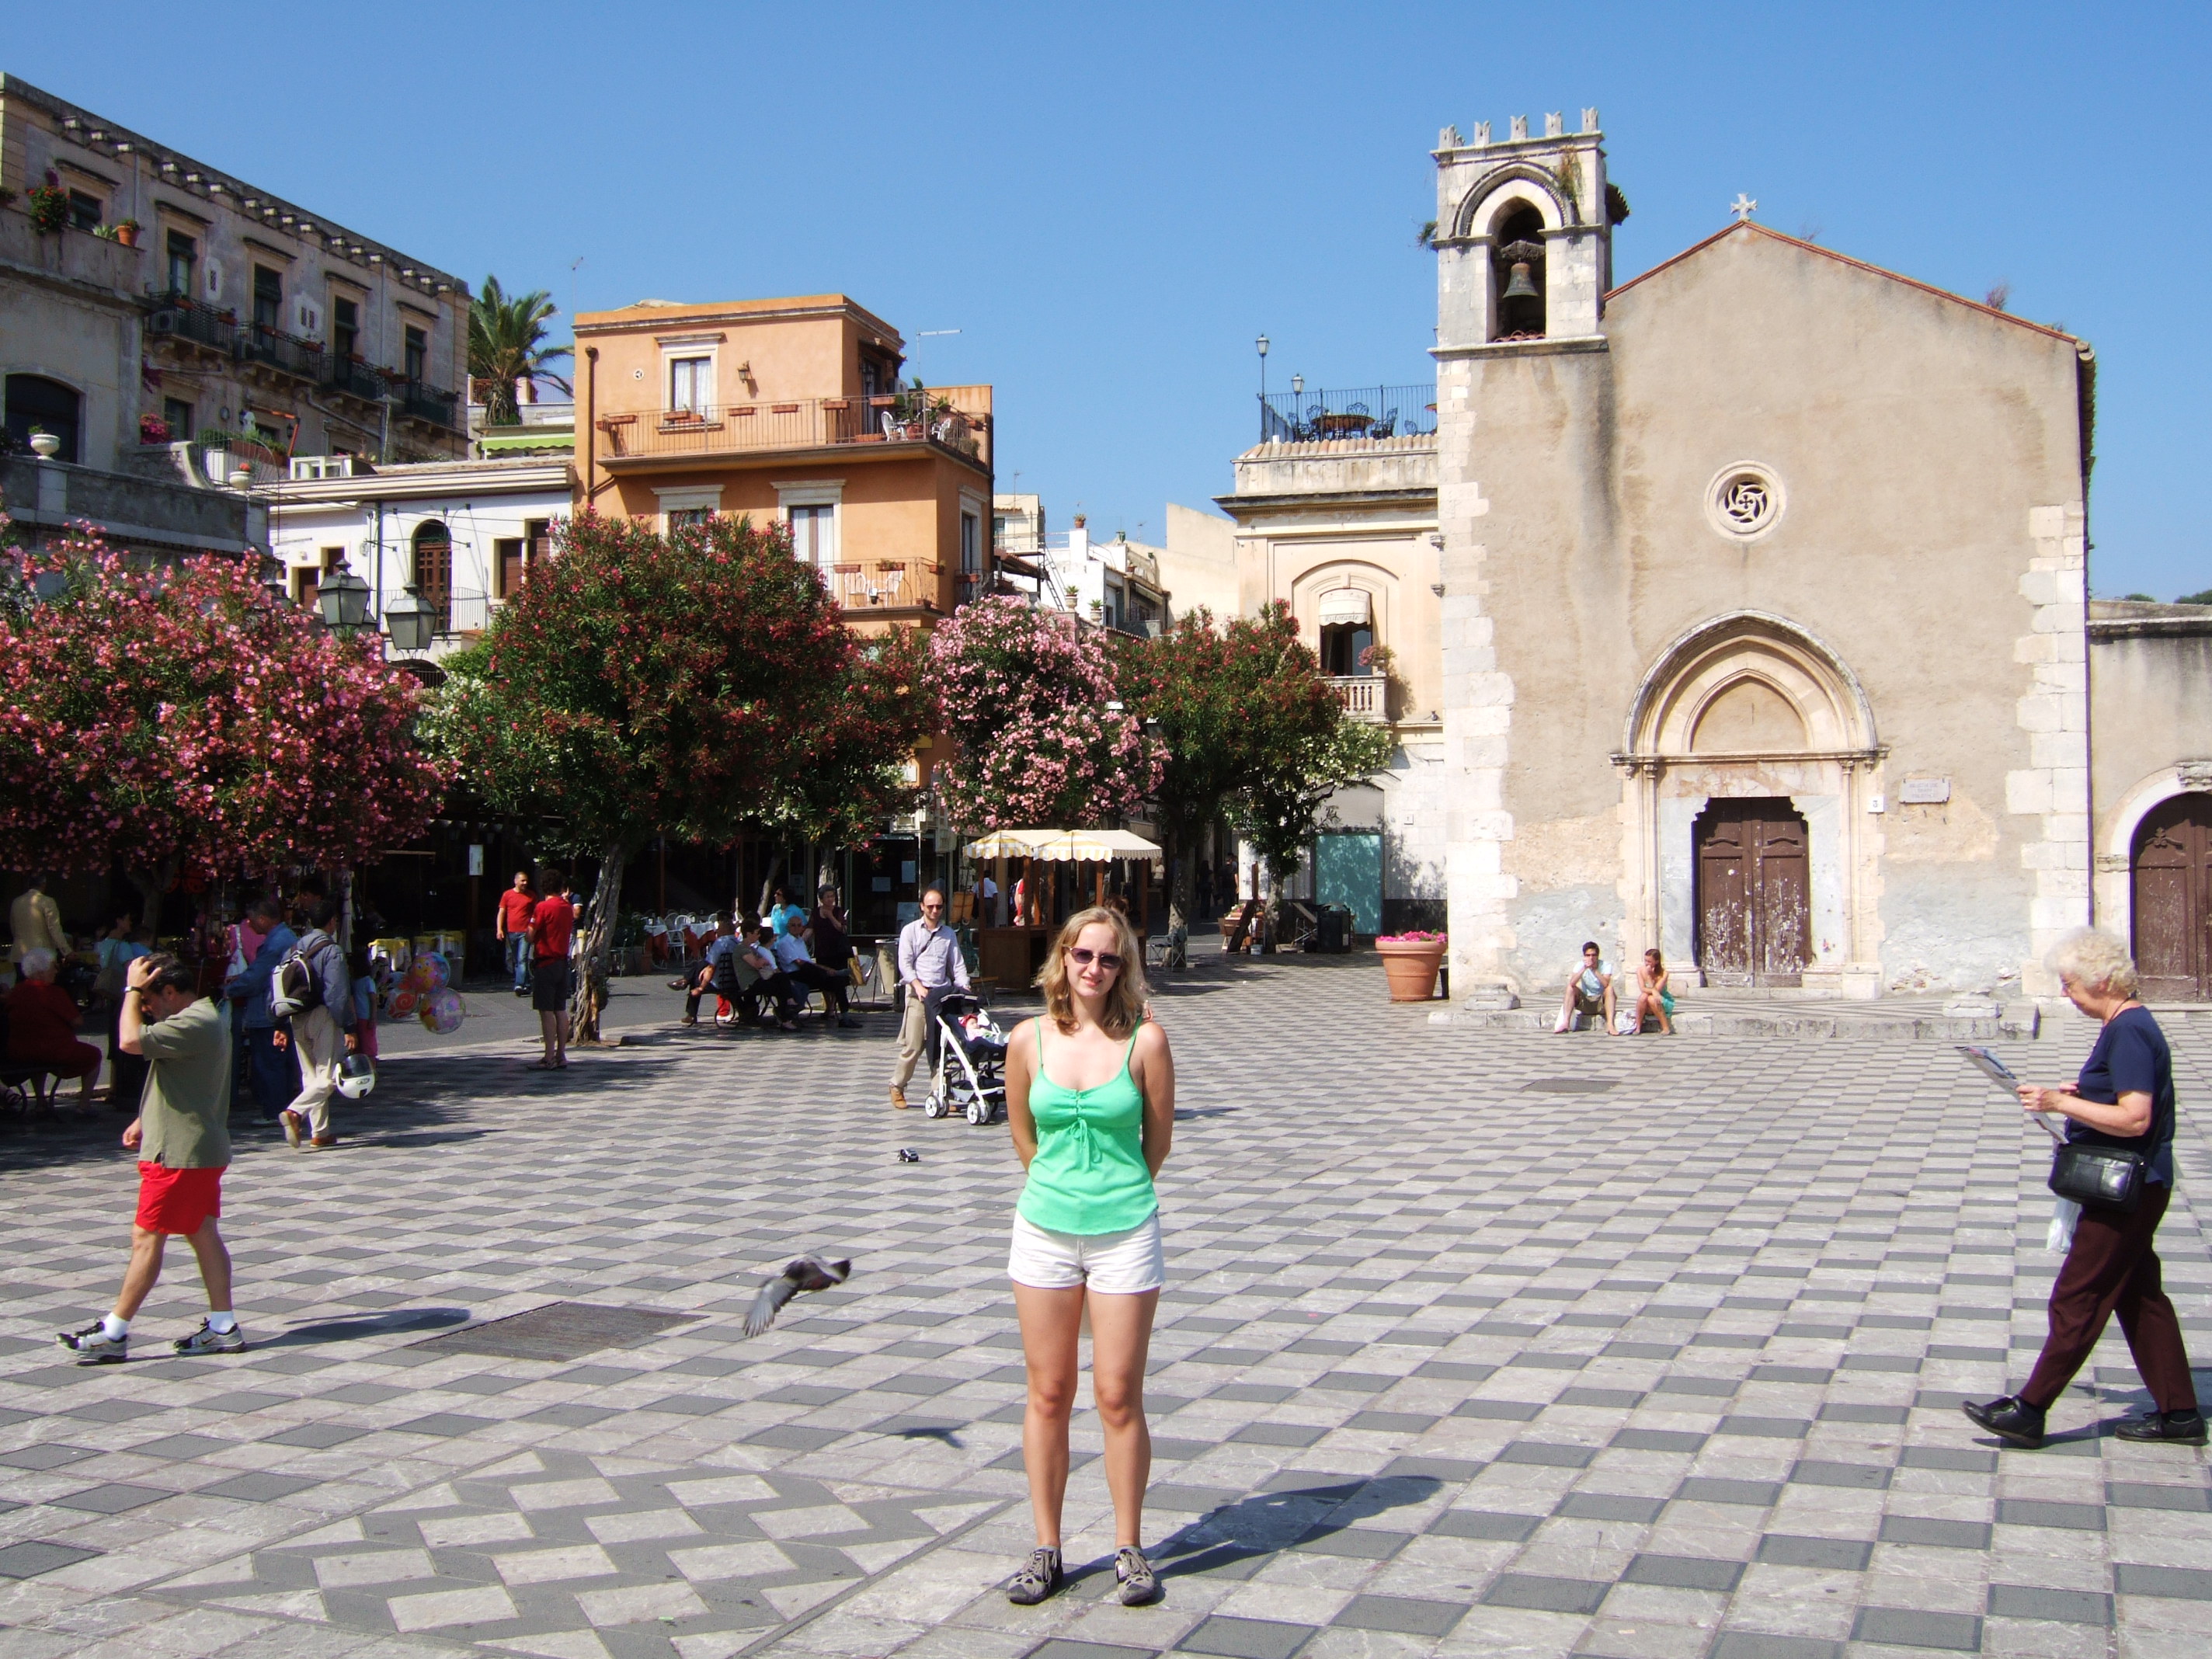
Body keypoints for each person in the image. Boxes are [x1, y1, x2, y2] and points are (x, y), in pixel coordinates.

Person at [1965, 929, 2203, 1449]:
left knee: (2079, 1296)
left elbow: (2135, 1117)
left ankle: (2029, 1410)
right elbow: (2123, 1094)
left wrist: (2059, 1103)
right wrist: (2081, 1091)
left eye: (2071, 985)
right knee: (2139, 1297)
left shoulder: (2130, 1031)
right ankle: (2180, 1414)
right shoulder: (2125, 1024)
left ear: (2100, 981)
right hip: (2140, 1185)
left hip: (2127, 1189)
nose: (2067, 995)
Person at [1000, 905, 1174, 1607]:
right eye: (1083, 956)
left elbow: (1156, 1143)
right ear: (1062, 960)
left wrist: (1112, 1193)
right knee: (1048, 1393)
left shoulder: (1146, 1042)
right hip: (1043, 1230)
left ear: (1123, 967)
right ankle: (1047, 1547)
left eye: (1108, 958)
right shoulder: (1027, 1040)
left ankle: (1129, 1548)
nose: (1094, 969)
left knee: (1116, 1395)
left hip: (1125, 1231)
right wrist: (1062, 1189)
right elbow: (1022, 1136)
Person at [57, 953, 242, 1363]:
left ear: (170, 993)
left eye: (150, 1001)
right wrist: (145, 1119)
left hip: (180, 1154)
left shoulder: (195, 1021)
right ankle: (223, 1326)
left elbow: (128, 1042)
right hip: (190, 1148)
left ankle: (115, 1331)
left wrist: (130, 989)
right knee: (202, 1232)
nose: (145, 1009)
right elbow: (181, 1078)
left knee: (147, 1237)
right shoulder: (201, 1019)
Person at [274, 896, 358, 1153]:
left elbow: (277, 984)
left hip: (294, 1015)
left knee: (310, 1075)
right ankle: (294, 1112)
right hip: (322, 1015)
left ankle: (320, 1132)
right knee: (330, 1077)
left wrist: (278, 1024)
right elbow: (337, 993)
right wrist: (348, 1026)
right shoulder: (331, 950)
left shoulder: (292, 949)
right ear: (333, 921)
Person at [891, 887, 969, 1108]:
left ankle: (940, 1093)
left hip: (941, 995)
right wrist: (916, 985)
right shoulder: (910, 931)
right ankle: (897, 1086)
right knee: (914, 1045)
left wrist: (965, 986)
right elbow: (904, 964)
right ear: (922, 907)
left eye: (939, 907)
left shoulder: (949, 934)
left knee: (940, 1047)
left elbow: (957, 965)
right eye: (931, 906)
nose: (935, 911)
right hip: (919, 995)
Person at [223, 897, 297, 1120]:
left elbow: (257, 978)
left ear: (263, 919)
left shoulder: (276, 943)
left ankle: (274, 1111)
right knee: (280, 1064)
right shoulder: (285, 937)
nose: (250, 925)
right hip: (280, 1010)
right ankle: (282, 1110)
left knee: (269, 1064)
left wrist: (231, 989)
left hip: (268, 1012)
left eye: (252, 920)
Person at [7, 947, 101, 1110]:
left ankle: (41, 1102)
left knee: (37, 1059)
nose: (56, 971)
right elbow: (77, 1021)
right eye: (53, 967)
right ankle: (84, 1106)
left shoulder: (17, 991)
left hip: (21, 1050)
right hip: (55, 1050)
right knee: (94, 1055)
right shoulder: (52, 992)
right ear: (40, 972)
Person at [98, 914, 154, 1113]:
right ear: (119, 920)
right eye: (127, 919)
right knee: (125, 1040)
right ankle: (120, 1089)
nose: (130, 922)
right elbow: (131, 972)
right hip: (125, 995)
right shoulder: (124, 947)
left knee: (114, 1040)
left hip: (109, 995)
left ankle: (114, 1089)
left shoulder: (102, 944)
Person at [775, 911, 860, 1028]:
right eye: (793, 925)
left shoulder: (800, 941)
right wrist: (825, 970)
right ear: (788, 927)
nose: (796, 928)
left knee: (839, 982)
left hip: (809, 973)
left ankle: (845, 1018)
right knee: (812, 969)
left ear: (803, 927)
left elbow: (809, 962)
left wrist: (825, 969)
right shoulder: (785, 942)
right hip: (794, 974)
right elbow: (799, 963)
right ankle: (832, 973)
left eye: (799, 925)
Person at [529, 867, 576, 1069]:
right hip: (562, 962)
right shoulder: (567, 908)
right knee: (560, 1009)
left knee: (546, 1011)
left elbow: (530, 935)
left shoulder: (542, 907)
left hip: (546, 962)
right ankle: (561, 1055)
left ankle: (548, 1056)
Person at [9, 872, 68, 981]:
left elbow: (14, 928)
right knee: (42, 989)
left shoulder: (16, 902)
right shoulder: (47, 901)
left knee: (22, 987)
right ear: (43, 884)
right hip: (41, 954)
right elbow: (54, 929)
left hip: (19, 952)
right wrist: (67, 951)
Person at [1555, 941, 1616, 1035]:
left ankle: (1610, 1025)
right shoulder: (1580, 965)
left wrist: (1594, 970)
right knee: (1570, 988)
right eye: (1588, 955)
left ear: (1597, 956)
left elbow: (1606, 984)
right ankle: (1566, 1023)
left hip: (1600, 1001)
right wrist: (1584, 969)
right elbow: (1572, 982)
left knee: (1610, 989)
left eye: (1593, 955)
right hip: (1586, 1000)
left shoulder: (1605, 966)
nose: (1591, 958)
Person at [496, 870, 535, 997]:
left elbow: (537, 913)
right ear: (516, 881)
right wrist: (499, 929)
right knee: (517, 960)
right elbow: (502, 912)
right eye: (522, 881)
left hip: (525, 931)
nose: (525, 883)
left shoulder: (531, 896)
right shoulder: (507, 895)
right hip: (511, 931)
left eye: (526, 881)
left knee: (522, 958)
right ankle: (527, 984)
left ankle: (519, 984)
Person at [1633, 948, 1675, 1035]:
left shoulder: (1664, 974)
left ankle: (1666, 1027)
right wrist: (1653, 991)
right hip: (1649, 998)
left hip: (1662, 999)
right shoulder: (1640, 970)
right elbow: (1643, 988)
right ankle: (1638, 1027)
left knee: (1651, 999)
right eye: (1645, 961)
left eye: (1649, 961)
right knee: (1644, 996)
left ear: (1656, 961)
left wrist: (1649, 978)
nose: (1646, 964)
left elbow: (1658, 990)